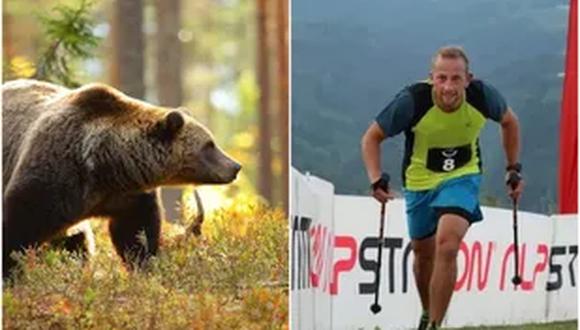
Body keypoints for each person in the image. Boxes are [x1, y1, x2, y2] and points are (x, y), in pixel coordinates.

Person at [361, 46, 524, 329]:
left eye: (456, 79)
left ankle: (436, 324)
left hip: (463, 177)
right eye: (442, 78)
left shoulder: (483, 97)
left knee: (447, 244)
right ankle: (427, 312)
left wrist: (513, 168)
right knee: (423, 255)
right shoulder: (412, 101)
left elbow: (510, 122)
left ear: (468, 79)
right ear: (431, 78)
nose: (449, 87)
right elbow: (371, 138)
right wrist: (376, 178)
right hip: (419, 182)